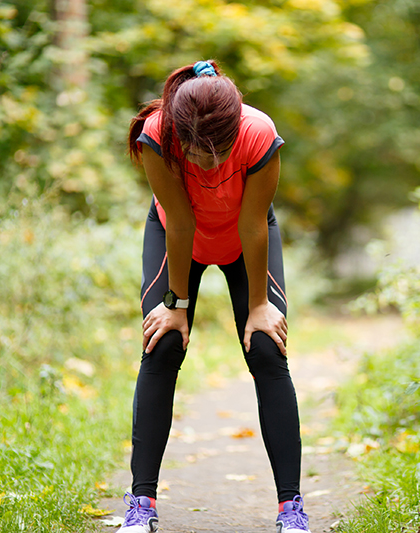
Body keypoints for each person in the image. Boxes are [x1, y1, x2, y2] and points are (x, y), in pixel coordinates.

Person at [119, 59, 310, 533]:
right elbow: (181, 223)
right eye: (196, 154)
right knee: (162, 343)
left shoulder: (259, 133)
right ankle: (141, 504)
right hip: (176, 234)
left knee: (267, 347)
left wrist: (260, 306)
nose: (209, 164)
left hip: (245, 236)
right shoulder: (156, 134)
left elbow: (253, 223)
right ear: (178, 135)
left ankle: (291, 509)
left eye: (219, 153)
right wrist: (177, 307)